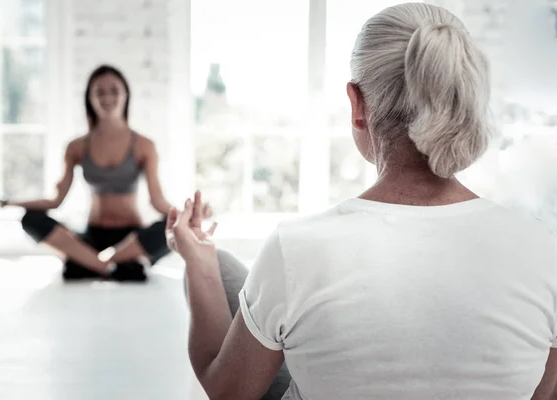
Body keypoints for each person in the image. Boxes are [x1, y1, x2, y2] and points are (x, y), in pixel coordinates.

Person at [165, 4, 557, 400]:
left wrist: (198, 265)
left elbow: (228, 391)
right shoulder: (543, 250)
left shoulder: (297, 248)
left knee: (219, 268)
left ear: (357, 104)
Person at [0, 64, 210, 282]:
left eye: (114, 90)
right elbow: (55, 200)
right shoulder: (77, 147)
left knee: (168, 229)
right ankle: (112, 266)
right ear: (90, 99)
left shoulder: (143, 145)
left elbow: (158, 202)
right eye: (100, 92)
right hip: (92, 237)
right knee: (31, 219)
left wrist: (188, 215)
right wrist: (4, 202)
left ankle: (96, 264)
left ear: (126, 95)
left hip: (132, 239)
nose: (107, 97)